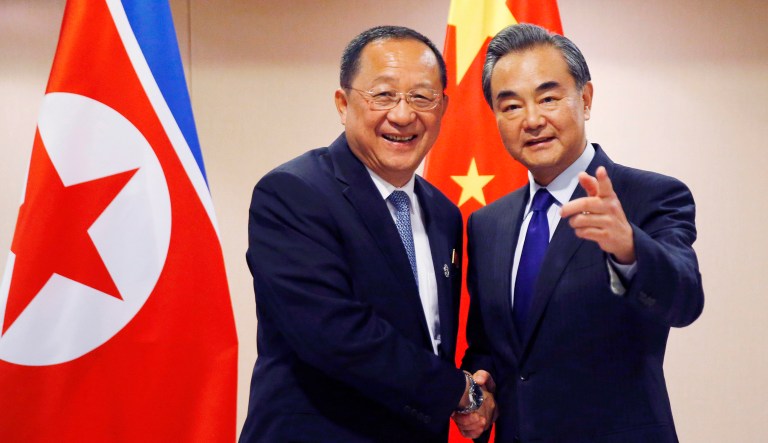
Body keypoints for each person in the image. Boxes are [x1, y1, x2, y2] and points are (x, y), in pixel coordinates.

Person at [240, 26, 495, 443]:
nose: (402, 114)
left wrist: (480, 383)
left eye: (421, 97)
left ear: (443, 107)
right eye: (383, 95)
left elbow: (428, 337)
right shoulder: (294, 192)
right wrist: (459, 391)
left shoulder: (445, 214)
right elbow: (334, 336)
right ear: (343, 104)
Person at [459, 23, 704, 442]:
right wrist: (485, 385)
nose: (533, 120)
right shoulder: (487, 224)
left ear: (585, 99)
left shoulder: (649, 196)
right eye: (512, 106)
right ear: (496, 117)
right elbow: (491, 345)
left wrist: (628, 248)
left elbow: (684, 301)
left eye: (549, 98)